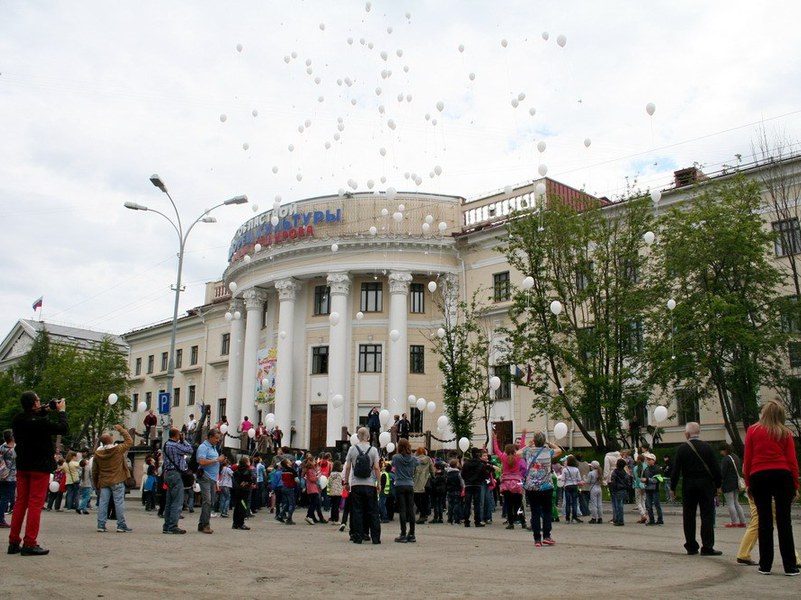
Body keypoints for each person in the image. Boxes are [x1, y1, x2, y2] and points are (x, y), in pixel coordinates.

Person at [743, 399, 800, 575]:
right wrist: (795, 485)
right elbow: (792, 461)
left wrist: (748, 484)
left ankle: (765, 565)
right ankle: (790, 566)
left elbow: (748, 459)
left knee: (764, 521)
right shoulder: (785, 433)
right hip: (782, 475)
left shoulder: (752, 431)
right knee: (784, 522)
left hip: (759, 475)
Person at [8, 392, 68, 556]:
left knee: (20, 502)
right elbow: (63, 428)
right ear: (34, 403)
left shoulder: (18, 419)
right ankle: (30, 543)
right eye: (38, 401)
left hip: (23, 465)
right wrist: (62, 411)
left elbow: (31, 418)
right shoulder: (41, 423)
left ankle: (13, 541)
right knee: (35, 503)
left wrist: (47, 408)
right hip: (39, 467)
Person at [670, 422, 722, 556]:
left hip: (689, 485)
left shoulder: (682, 449)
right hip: (706, 485)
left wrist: (673, 487)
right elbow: (716, 469)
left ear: (687, 434)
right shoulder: (708, 448)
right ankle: (707, 546)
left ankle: (691, 546)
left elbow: (676, 470)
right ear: (699, 433)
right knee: (707, 516)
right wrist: (718, 485)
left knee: (689, 516)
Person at [520, 431, 562, 547]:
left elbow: (517, 453)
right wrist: (548, 442)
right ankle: (547, 536)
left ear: (534, 440)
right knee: (547, 512)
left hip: (532, 487)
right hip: (546, 486)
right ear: (543, 441)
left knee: (535, 512)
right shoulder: (549, 452)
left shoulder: (528, 452)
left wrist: (528, 445)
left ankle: (537, 539)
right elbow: (559, 450)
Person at [343, 427, 381, 544]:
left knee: (357, 511)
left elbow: (348, 467)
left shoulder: (352, 449)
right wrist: (378, 483)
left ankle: (358, 536)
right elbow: (376, 467)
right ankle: (375, 538)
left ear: (358, 437)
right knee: (373, 512)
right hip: (369, 484)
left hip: (356, 484)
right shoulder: (373, 450)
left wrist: (346, 482)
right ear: (368, 437)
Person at [92, 424, 133, 533]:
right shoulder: (117, 449)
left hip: (104, 481)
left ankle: (101, 525)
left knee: (103, 503)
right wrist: (121, 429)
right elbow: (129, 441)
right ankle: (121, 525)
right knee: (118, 503)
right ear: (111, 440)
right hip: (117, 480)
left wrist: (96, 483)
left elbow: (94, 471)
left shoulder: (98, 454)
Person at [162, 428, 193, 534]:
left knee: (169, 501)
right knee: (177, 501)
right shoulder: (175, 445)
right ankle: (172, 526)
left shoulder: (166, 444)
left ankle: (166, 525)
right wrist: (183, 440)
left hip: (168, 473)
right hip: (176, 474)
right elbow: (190, 450)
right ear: (177, 435)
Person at [493, 432, 524, 530]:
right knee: (519, 505)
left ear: (506, 451)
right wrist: (523, 435)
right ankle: (523, 522)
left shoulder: (503, 457)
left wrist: (495, 439)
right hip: (517, 483)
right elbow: (522, 447)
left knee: (509, 505)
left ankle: (511, 523)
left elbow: (496, 450)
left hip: (506, 484)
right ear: (515, 450)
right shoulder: (518, 457)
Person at [196, 429, 225, 534]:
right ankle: (205, 524)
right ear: (210, 437)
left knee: (210, 501)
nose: (218, 440)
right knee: (207, 501)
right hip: (205, 476)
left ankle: (202, 523)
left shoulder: (214, 448)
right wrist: (217, 460)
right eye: (216, 438)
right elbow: (201, 461)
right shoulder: (204, 447)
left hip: (213, 478)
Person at [392, 438, 419, 543]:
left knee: (402, 510)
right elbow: (418, 462)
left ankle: (403, 534)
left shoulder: (396, 457)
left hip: (399, 485)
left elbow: (393, 465)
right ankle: (412, 533)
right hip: (409, 484)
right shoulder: (413, 458)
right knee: (411, 510)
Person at [719, 443, 747, 528]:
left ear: (725, 450)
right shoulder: (735, 457)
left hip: (728, 483)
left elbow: (722, 473)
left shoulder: (726, 459)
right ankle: (743, 521)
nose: (721, 453)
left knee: (730, 503)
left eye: (721, 451)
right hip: (736, 483)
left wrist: (719, 484)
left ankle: (733, 522)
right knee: (736, 502)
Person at [641, 453, 664, 526]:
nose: (648, 461)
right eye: (647, 459)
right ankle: (651, 520)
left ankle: (660, 519)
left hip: (655, 489)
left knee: (657, 505)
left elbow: (657, 480)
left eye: (649, 459)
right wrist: (642, 481)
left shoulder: (657, 469)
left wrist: (647, 480)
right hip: (648, 489)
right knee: (648, 506)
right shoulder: (646, 469)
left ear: (653, 460)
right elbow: (643, 477)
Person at [0, 430, 17, 529]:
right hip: (10, 477)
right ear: (12, 437)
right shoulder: (13, 450)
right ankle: (1, 519)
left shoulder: (2, 447)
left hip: (2, 475)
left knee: (2, 497)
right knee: (5, 499)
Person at [413, 447, 434, 524]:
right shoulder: (428, 459)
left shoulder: (415, 460)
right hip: (427, 481)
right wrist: (433, 476)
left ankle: (422, 514)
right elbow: (432, 469)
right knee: (425, 499)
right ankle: (423, 515)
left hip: (417, 481)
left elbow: (413, 470)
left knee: (416, 498)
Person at [231, 456, 252, 530]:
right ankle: (241, 523)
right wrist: (247, 483)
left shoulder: (236, 470)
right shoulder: (247, 471)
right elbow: (249, 480)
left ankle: (235, 523)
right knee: (243, 506)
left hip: (237, 490)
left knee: (237, 507)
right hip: (244, 491)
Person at [610, 458, 631, 526]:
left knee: (617, 506)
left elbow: (613, 482)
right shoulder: (625, 473)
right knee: (620, 505)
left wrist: (613, 488)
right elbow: (628, 482)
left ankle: (618, 520)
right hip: (623, 490)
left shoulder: (615, 472)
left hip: (617, 490)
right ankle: (620, 519)